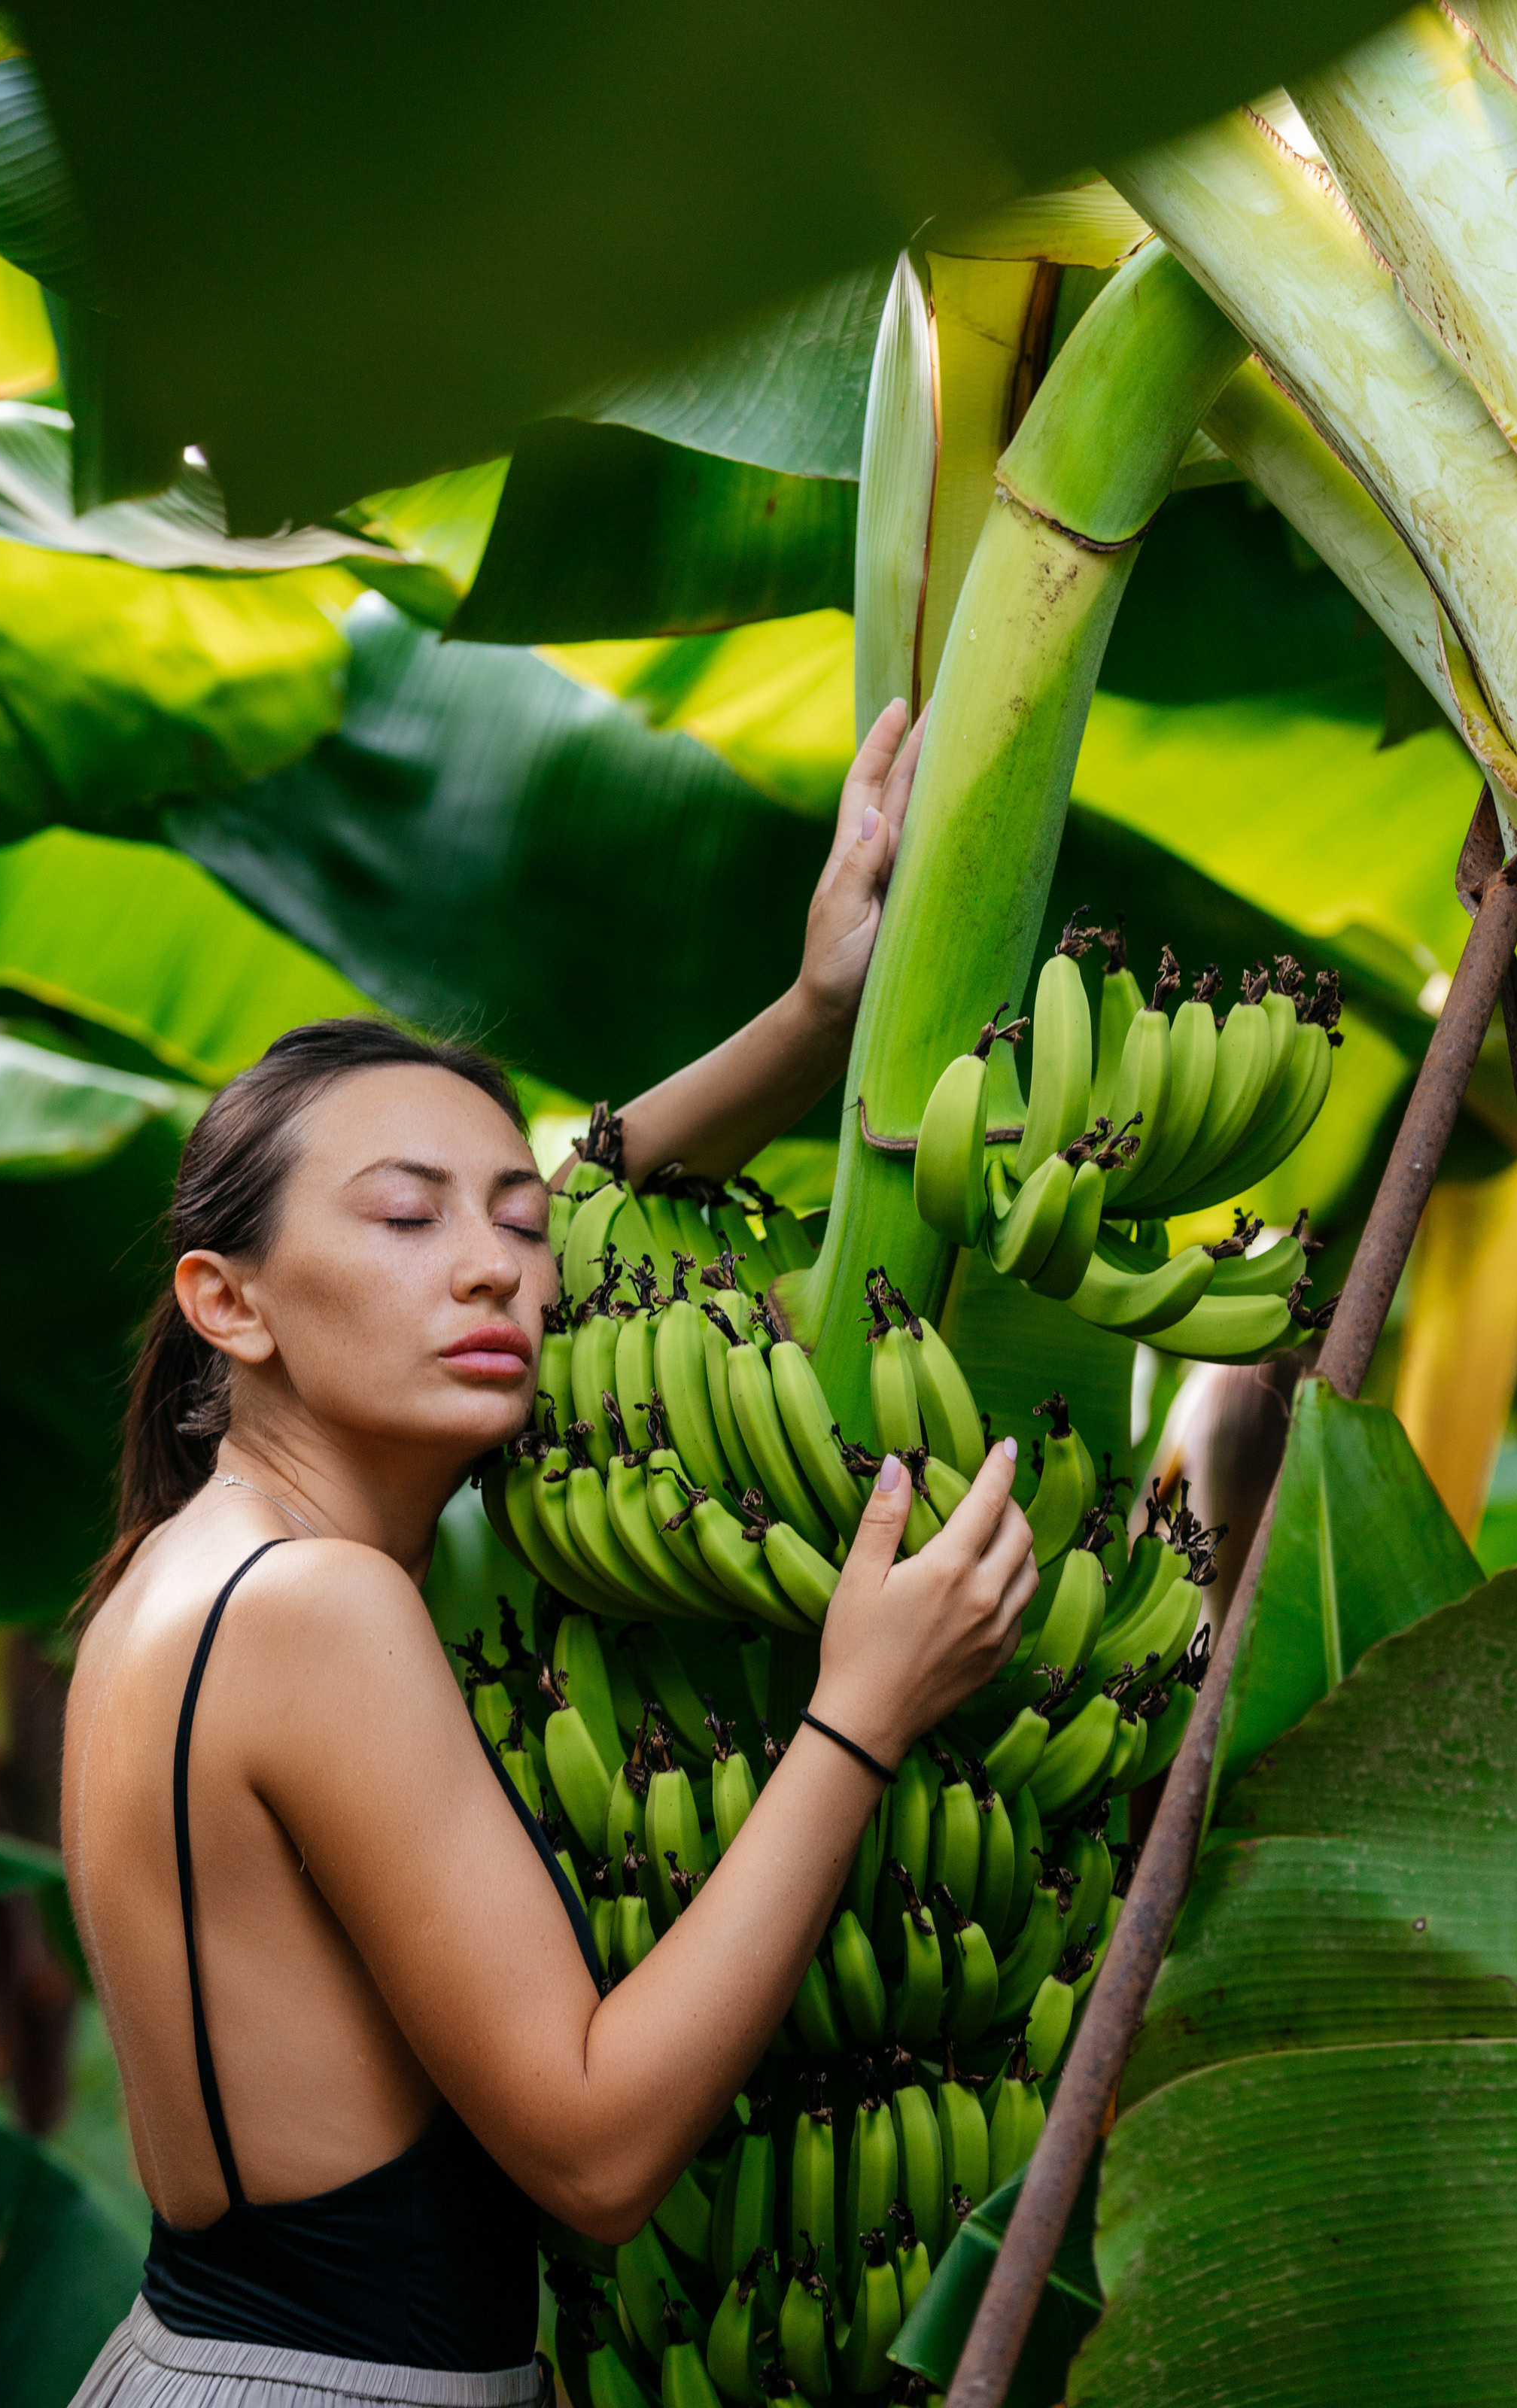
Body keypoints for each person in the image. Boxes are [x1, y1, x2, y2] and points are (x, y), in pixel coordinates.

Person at [62, 698, 1040, 2408]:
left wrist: (817, 1015)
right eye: (404, 1216)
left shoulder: (180, 1567)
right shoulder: (319, 1609)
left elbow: (583, 1199)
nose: (499, 1272)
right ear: (229, 1301)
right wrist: (859, 1715)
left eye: (512, 1226)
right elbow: (594, 2155)